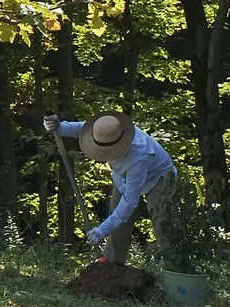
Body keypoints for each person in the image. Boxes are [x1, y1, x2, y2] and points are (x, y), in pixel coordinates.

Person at [49, 113, 180, 266]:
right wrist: (60, 127)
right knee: (118, 222)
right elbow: (82, 128)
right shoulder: (108, 128)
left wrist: (101, 230)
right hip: (123, 178)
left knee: (162, 225)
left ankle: (176, 272)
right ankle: (112, 269)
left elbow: (130, 202)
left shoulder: (138, 157)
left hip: (159, 179)